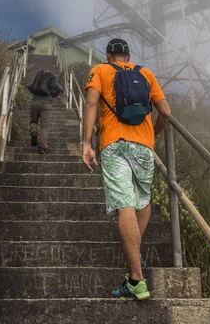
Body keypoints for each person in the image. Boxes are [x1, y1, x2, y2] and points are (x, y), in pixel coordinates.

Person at [82, 38, 171, 300]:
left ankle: (135, 280)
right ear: (128, 56)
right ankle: (135, 256)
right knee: (142, 203)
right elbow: (165, 111)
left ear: (109, 55)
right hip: (143, 147)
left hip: (114, 145)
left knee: (125, 205)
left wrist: (87, 143)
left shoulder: (100, 70)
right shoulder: (146, 73)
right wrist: (150, 137)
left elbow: (90, 105)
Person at [27, 70, 63, 154]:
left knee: (33, 121)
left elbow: (28, 85)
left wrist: (34, 91)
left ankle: (34, 133)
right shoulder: (52, 81)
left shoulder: (38, 80)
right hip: (46, 104)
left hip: (35, 103)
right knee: (44, 126)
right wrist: (53, 94)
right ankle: (42, 148)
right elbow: (60, 88)